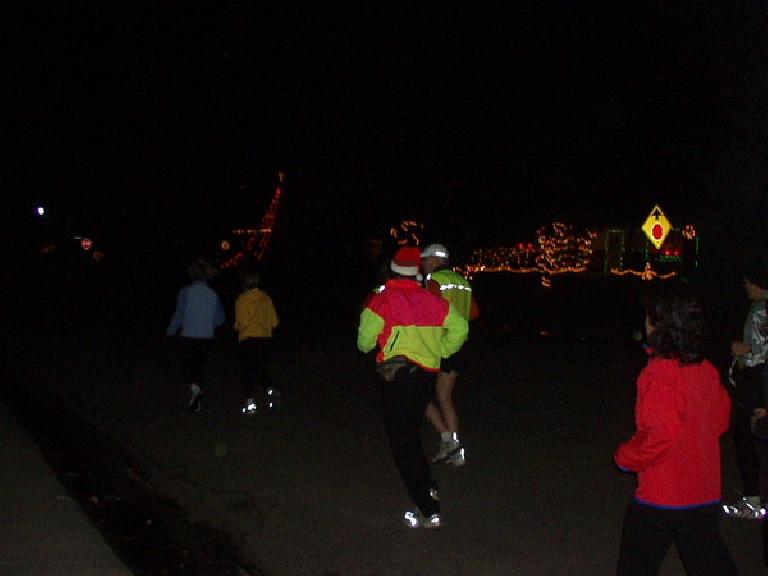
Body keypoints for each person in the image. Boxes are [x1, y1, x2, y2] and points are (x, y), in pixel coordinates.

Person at [615, 289, 736, 575]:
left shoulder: (659, 374)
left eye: (648, 319)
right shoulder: (705, 369)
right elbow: (720, 419)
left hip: (663, 494)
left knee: (636, 565)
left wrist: (625, 457)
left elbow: (660, 433)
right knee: (710, 563)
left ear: (659, 327)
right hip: (704, 491)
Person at [357, 246, 468, 529]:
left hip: (397, 378)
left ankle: (428, 508)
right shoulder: (432, 300)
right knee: (412, 437)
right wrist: (442, 349)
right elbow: (460, 328)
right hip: (425, 377)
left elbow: (364, 342)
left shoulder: (382, 300)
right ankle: (427, 491)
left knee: (402, 444)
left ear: (394, 270)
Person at [420, 243, 479, 467]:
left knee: (420, 395)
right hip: (460, 345)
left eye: (425, 260)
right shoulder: (463, 281)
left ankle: (447, 439)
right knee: (445, 397)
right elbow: (473, 313)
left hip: (438, 346)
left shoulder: (434, 281)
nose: (423, 264)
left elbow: (426, 314)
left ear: (436, 260)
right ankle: (454, 449)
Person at [723, 263, 768, 520]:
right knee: (747, 436)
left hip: (757, 380)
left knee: (745, 436)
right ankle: (753, 498)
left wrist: (745, 350)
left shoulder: (763, 309)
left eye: (747, 282)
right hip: (754, 378)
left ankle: (753, 503)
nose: (745, 287)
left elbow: (761, 350)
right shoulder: (758, 308)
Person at [166, 258, 226, 412]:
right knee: (198, 367)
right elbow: (220, 318)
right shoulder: (213, 294)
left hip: (188, 336)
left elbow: (179, 314)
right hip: (206, 337)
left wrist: (171, 330)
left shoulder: (186, 292)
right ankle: (196, 399)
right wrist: (207, 322)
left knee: (188, 367)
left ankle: (196, 391)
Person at [233, 267, 280, 415]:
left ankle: (250, 403)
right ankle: (270, 389)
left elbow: (242, 323)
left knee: (248, 371)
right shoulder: (266, 298)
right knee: (260, 368)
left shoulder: (242, 300)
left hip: (248, 340)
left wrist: (237, 326)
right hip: (265, 340)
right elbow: (274, 322)